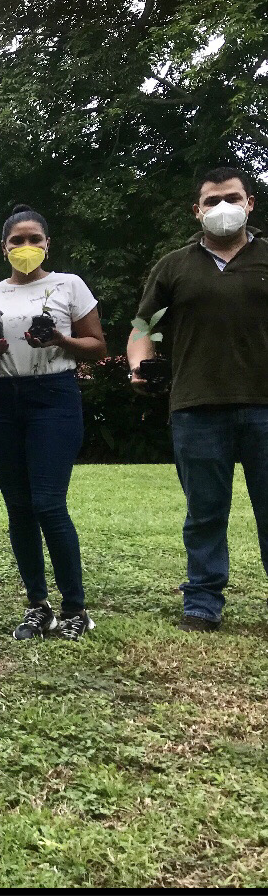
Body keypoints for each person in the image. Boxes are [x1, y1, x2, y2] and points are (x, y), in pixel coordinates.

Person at [128, 167, 268, 632]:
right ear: (197, 210)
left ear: (250, 203)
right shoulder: (174, 266)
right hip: (196, 405)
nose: (222, 207)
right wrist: (139, 364)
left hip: (265, 404)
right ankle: (203, 603)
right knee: (205, 512)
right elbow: (142, 327)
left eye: (232, 198)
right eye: (212, 201)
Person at [0, 204, 107, 641]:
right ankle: (37, 606)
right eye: (17, 241)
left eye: (34, 239)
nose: (25, 247)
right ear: (4, 247)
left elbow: (97, 346)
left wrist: (60, 339)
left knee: (48, 503)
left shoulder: (69, 285)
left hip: (53, 397)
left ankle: (75, 608)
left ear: (47, 244)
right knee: (19, 506)